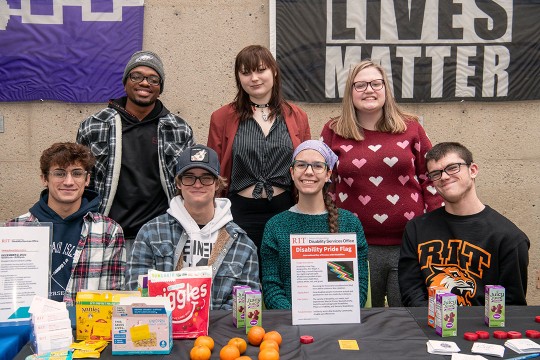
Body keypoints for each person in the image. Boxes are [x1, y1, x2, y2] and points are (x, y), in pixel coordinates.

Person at [320, 60, 442, 307]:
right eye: (361, 85)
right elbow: (324, 185)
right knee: (353, 318)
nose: (369, 90)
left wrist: (436, 227)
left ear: (386, 89)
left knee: (407, 320)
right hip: (350, 247)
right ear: (350, 92)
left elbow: (430, 178)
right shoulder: (332, 131)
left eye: (376, 83)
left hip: (408, 247)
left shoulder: (411, 128)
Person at [76, 50, 195, 255]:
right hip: (108, 236)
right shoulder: (94, 126)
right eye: (136, 76)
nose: (144, 83)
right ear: (125, 82)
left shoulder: (179, 129)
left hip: (163, 237)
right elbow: (80, 183)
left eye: (153, 79)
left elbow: (191, 181)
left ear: (160, 88)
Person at [207, 45, 311, 268]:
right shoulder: (222, 117)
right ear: (238, 77)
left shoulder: (297, 116)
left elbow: (306, 166)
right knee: (242, 283)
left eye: (260, 70)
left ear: (274, 71)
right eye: (246, 72)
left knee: (283, 280)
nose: (254, 78)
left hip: (286, 211)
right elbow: (213, 172)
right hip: (238, 213)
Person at [125, 145, 260, 310]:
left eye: (206, 177)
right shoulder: (151, 233)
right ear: (179, 183)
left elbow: (245, 306)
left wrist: (204, 322)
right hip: (163, 331)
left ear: (217, 184)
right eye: (189, 177)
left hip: (218, 334)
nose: (197, 184)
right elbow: (136, 289)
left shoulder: (243, 245)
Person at [399, 142, 529, 306]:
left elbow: (511, 306)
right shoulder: (416, 229)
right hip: (428, 325)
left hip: (482, 330)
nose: (444, 177)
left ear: (473, 170)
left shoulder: (509, 238)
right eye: (435, 173)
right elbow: (412, 294)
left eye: (452, 167)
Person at [9, 142, 125, 305]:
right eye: (59, 173)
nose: (69, 182)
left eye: (77, 173)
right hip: (31, 326)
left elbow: (112, 298)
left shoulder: (109, 231)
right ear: (44, 179)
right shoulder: (15, 230)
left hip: (84, 327)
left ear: (87, 179)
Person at [261, 140, 369, 309]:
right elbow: (271, 287)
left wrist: (339, 313)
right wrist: (298, 317)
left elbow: (359, 285)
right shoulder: (275, 226)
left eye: (317, 166)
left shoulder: (349, 224)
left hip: (340, 324)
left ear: (328, 174)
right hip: (290, 327)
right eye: (301, 165)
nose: (309, 172)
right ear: (292, 172)